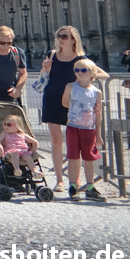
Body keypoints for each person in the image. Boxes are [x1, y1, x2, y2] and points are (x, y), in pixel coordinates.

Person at [40, 26, 109, 192]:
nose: (60, 39)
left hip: (75, 105)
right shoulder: (51, 55)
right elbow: (44, 75)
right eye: (58, 36)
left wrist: (85, 76)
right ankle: (59, 181)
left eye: (64, 36)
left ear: (73, 39)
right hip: (52, 100)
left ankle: (75, 181)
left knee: (75, 145)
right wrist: (45, 68)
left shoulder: (81, 58)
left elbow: (103, 74)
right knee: (56, 142)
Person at [62, 58, 105, 201]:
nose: (79, 73)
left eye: (83, 70)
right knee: (73, 157)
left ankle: (90, 187)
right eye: (77, 70)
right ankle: (72, 185)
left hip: (89, 128)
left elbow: (98, 114)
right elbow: (65, 102)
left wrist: (98, 133)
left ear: (92, 73)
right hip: (73, 126)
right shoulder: (70, 86)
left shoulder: (96, 92)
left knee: (88, 158)